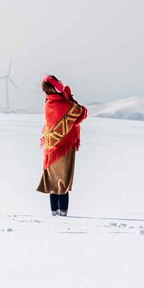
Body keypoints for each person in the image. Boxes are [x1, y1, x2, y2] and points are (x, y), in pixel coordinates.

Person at [35, 75, 87, 216]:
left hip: (51, 148)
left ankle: (54, 213)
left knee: (52, 181)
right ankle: (63, 214)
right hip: (64, 146)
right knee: (63, 181)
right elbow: (81, 112)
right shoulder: (65, 104)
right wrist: (69, 97)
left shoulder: (48, 104)